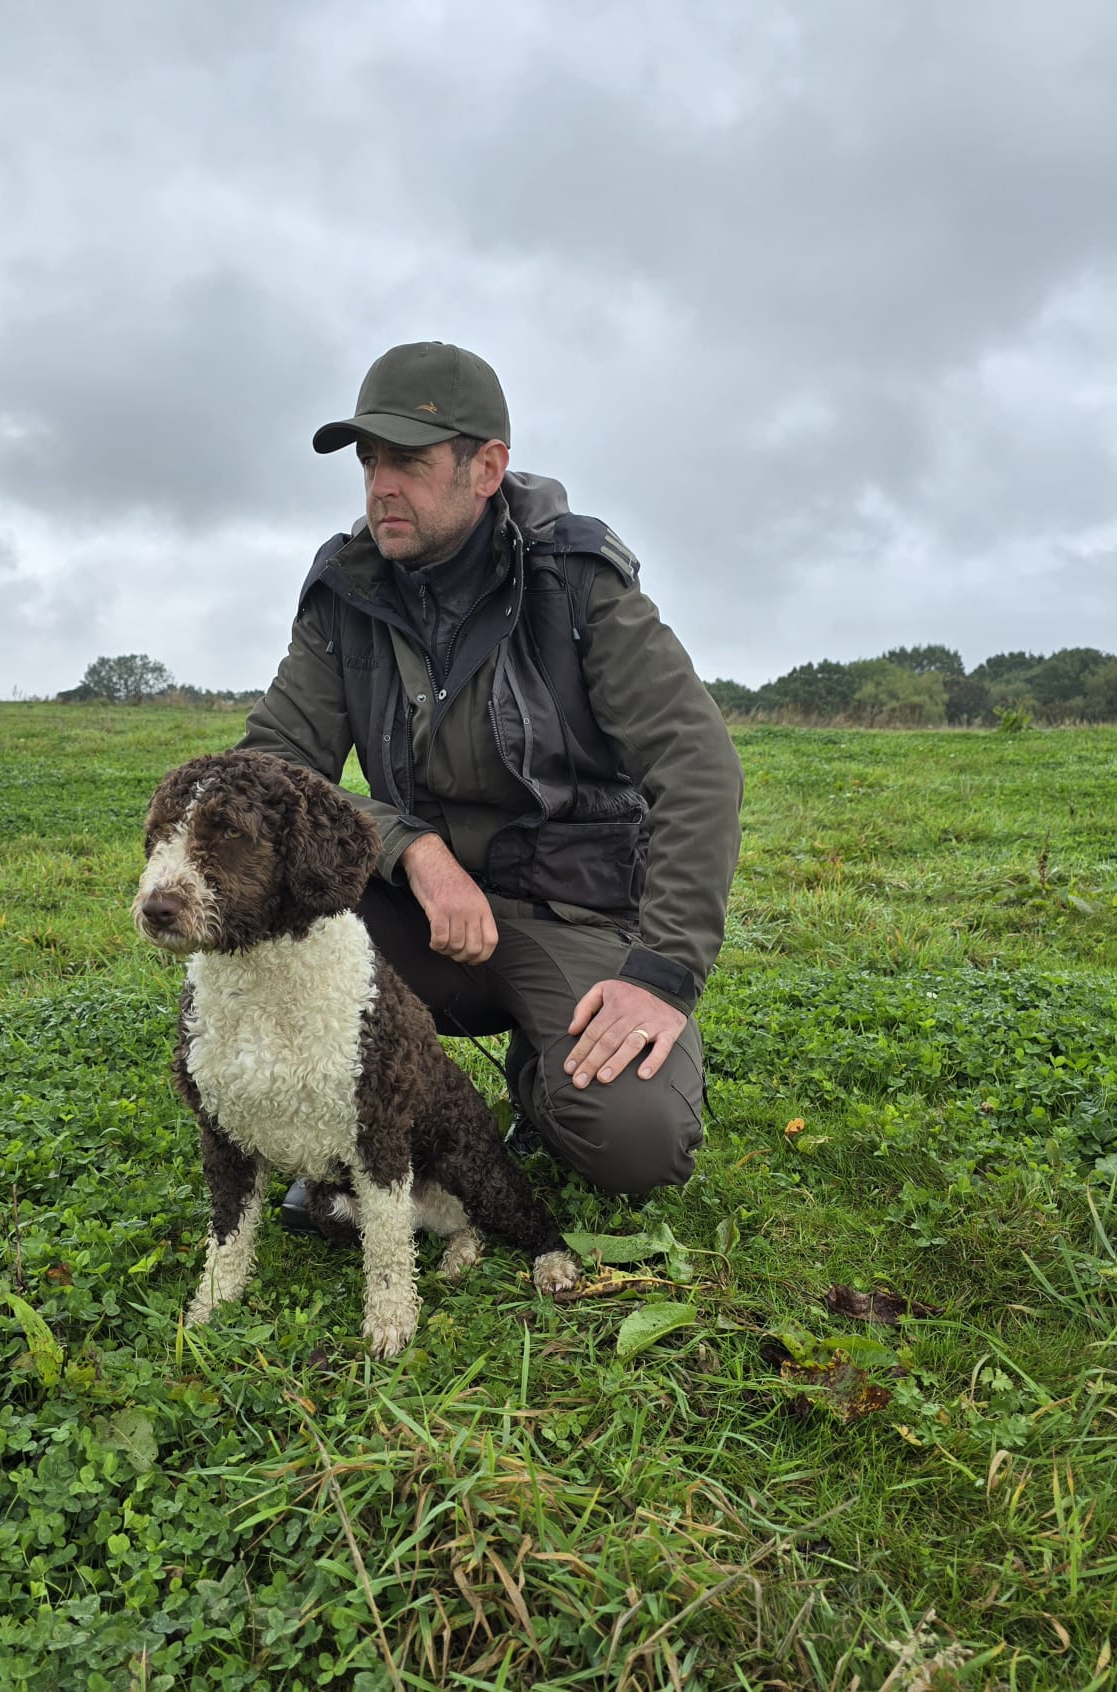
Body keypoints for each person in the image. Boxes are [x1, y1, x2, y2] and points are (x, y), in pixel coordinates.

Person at [239, 340, 743, 1208]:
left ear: (487, 467)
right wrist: (412, 849)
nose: (379, 485)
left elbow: (696, 767)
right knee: (255, 890)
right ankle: (329, 1132)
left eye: (407, 460)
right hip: (412, 913)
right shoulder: (346, 590)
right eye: (368, 461)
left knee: (634, 1142)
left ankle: (537, 1075)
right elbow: (266, 772)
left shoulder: (578, 584)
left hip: (567, 912)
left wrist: (660, 974)